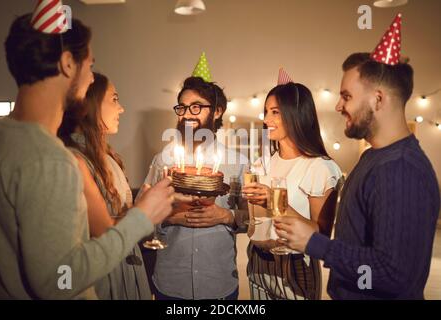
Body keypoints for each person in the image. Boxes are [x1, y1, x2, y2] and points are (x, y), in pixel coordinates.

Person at [0, 10, 173, 299]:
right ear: (67, 64)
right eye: (90, 65)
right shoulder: (49, 160)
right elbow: (57, 281)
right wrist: (141, 217)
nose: (90, 78)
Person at [275, 50, 440, 299]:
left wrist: (315, 243)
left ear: (378, 99)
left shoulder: (400, 168)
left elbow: (394, 273)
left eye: (346, 96)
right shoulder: (374, 157)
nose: (338, 105)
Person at [138, 74, 249, 300]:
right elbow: (140, 216)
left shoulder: (237, 163)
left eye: (196, 107)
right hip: (171, 283)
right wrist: (169, 217)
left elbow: (251, 220)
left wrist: (226, 216)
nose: (187, 114)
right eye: (183, 108)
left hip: (218, 283)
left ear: (217, 111)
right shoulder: (164, 160)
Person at [242, 78, 343, 300]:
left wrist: (275, 201)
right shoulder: (261, 164)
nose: (266, 119)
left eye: (275, 112)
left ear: (296, 114)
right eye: (266, 111)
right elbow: (253, 220)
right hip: (257, 263)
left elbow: (321, 235)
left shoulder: (320, 168)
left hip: (295, 267)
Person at [58, 72, 154, 299]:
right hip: (107, 273)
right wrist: (145, 211)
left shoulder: (107, 156)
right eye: (114, 99)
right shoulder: (75, 159)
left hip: (126, 262)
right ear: (89, 105)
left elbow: (121, 215)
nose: (121, 108)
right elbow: (100, 233)